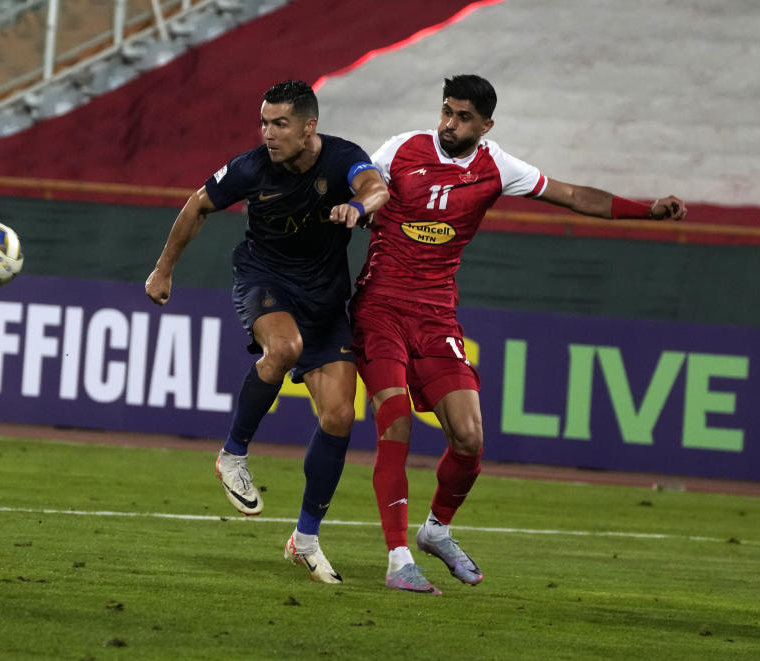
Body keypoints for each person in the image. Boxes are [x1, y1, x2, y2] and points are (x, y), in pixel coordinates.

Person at [350, 74, 687, 595]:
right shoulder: (402, 149)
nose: (449, 124)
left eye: (463, 117)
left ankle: (436, 530)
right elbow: (365, 186)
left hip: (437, 317)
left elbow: (573, 195)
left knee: (469, 437)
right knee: (394, 421)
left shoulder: (497, 166)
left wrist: (647, 210)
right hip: (381, 307)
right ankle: (397, 560)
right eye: (446, 111)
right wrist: (362, 209)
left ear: (485, 126)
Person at [145, 80, 389, 584]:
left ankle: (305, 539)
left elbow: (376, 187)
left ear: (308, 127)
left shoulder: (344, 157)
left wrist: (358, 208)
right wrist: (163, 269)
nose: (269, 133)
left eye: (279, 124)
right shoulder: (250, 168)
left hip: (324, 300)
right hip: (264, 280)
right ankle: (233, 455)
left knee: (342, 415)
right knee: (284, 347)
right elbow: (197, 207)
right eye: (264, 122)